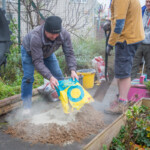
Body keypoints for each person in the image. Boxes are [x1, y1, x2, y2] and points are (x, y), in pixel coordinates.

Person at [21, 16, 78, 114]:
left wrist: (73, 70)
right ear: (45, 30)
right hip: (29, 52)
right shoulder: (36, 36)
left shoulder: (64, 35)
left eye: (57, 34)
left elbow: (69, 53)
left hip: (48, 53)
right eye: (51, 34)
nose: (54, 36)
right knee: (28, 78)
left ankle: (65, 103)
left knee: (58, 76)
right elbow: (38, 61)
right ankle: (26, 107)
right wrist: (49, 77)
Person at [105, 0, 145, 114]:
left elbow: (119, 24)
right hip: (131, 36)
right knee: (121, 72)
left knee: (123, 73)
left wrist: (110, 43)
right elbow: (122, 15)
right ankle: (120, 99)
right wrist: (109, 22)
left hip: (126, 39)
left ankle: (122, 103)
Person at [131, 0, 150, 80]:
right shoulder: (142, 11)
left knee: (149, 67)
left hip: (148, 44)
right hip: (139, 43)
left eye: (149, 2)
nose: (148, 4)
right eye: (147, 2)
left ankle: (148, 88)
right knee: (133, 65)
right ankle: (130, 87)